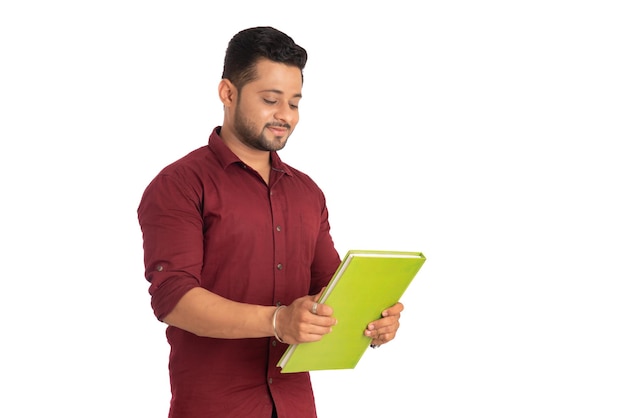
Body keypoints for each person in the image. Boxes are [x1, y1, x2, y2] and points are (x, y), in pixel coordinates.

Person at [137, 26, 405, 418]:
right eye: (270, 100)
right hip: (215, 408)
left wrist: (372, 320)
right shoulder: (179, 185)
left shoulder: (307, 192)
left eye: (294, 103)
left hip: (295, 406)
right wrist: (278, 320)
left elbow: (329, 289)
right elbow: (173, 299)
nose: (285, 115)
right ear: (228, 93)